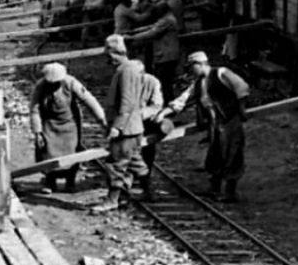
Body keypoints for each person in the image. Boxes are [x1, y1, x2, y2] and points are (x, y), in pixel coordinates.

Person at [162, 51, 250, 202]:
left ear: (201, 64)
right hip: (214, 123)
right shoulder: (198, 83)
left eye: (192, 67)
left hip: (229, 120)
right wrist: (163, 113)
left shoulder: (221, 73)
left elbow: (241, 87)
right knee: (215, 154)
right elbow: (181, 101)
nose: (191, 71)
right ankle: (214, 189)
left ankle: (230, 193)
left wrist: (241, 108)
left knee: (232, 154)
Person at [93, 35, 159, 211]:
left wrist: (117, 126)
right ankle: (149, 192)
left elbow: (128, 103)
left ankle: (112, 200)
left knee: (116, 164)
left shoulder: (127, 70)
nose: (107, 58)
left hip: (127, 128)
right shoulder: (126, 69)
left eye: (108, 54)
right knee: (136, 162)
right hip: (132, 127)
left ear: (115, 53)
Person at [28, 62, 106, 193]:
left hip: (70, 124)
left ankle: (70, 181)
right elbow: (34, 109)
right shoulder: (40, 86)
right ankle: (50, 181)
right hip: (49, 124)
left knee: (72, 152)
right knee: (48, 152)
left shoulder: (71, 83)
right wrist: (38, 132)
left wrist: (101, 119)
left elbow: (89, 100)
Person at [128, 0, 181, 92]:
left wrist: (132, 37)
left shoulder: (167, 20)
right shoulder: (166, 18)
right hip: (166, 55)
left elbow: (152, 32)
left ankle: (168, 102)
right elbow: (152, 27)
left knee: (165, 84)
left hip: (167, 55)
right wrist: (135, 32)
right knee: (164, 83)